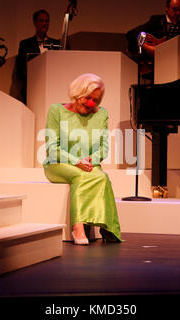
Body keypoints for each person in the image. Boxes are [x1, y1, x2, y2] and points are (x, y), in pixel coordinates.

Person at [43, 73, 122, 245]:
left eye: (96, 99)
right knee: (80, 175)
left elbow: (104, 148)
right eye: (87, 98)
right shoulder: (56, 110)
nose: (91, 103)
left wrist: (90, 160)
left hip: (88, 165)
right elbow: (52, 148)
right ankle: (77, 227)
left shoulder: (101, 114)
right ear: (77, 94)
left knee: (102, 177)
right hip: (58, 164)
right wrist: (76, 161)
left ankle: (107, 227)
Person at [125, 0, 180, 79]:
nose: (177, 13)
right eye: (174, 9)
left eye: (179, 10)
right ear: (166, 8)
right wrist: (146, 46)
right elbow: (131, 34)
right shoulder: (156, 21)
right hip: (155, 65)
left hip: (174, 65)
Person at [15, 9, 60, 104]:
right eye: (41, 20)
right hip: (33, 89)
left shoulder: (57, 44)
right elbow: (20, 69)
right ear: (34, 22)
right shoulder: (25, 44)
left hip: (54, 87)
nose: (44, 23)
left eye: (47, 21)